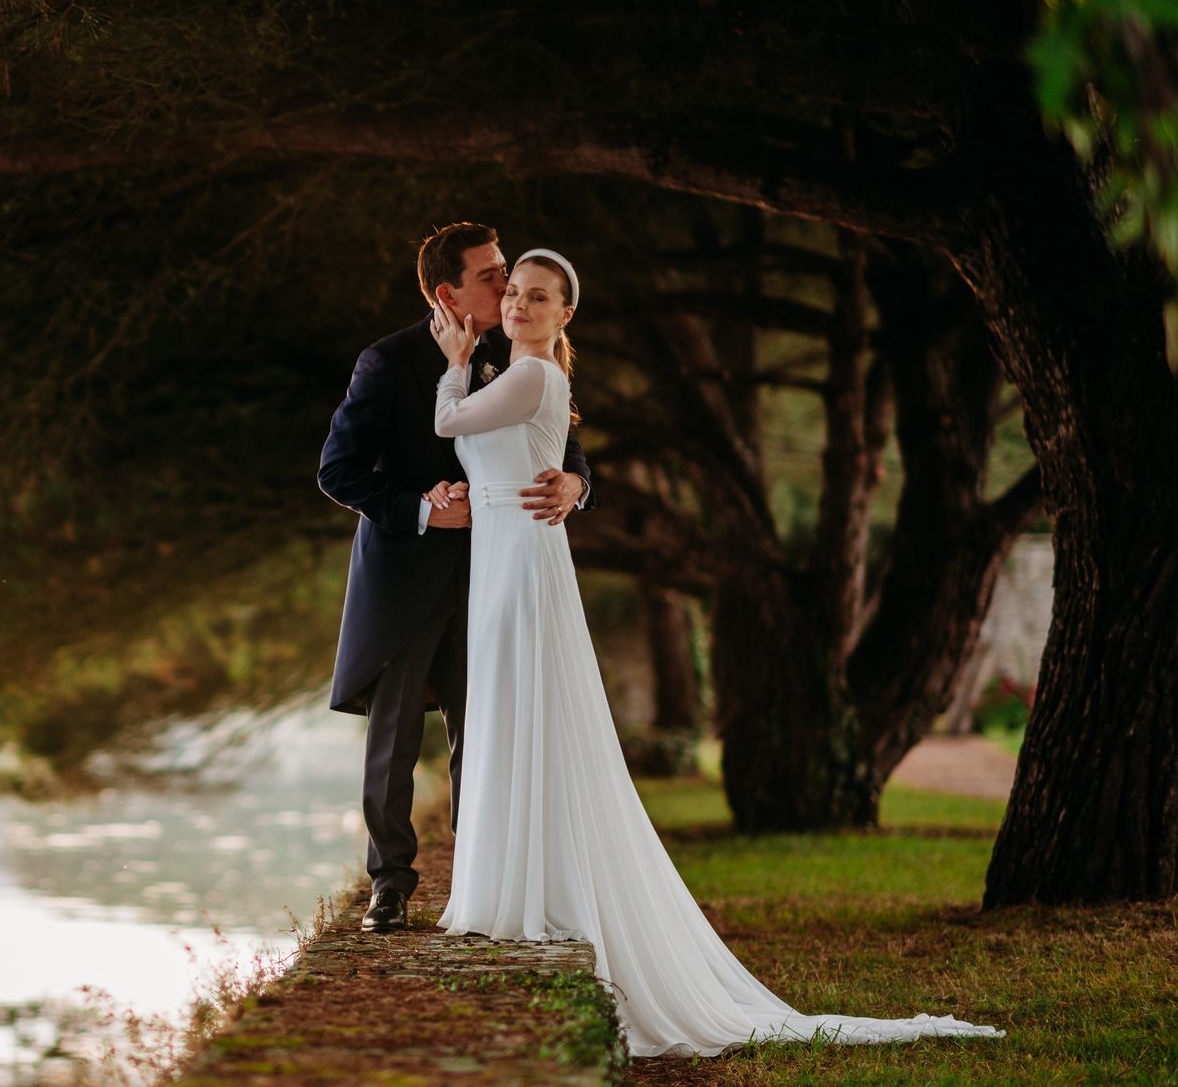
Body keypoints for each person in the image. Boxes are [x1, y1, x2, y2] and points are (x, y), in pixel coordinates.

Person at [429, 246, 1007, 1058]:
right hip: (500, 552)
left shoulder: (528, 375)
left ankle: (528, 897)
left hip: (520, 561)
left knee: (523, 707)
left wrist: (455, 366)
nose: (520, 305)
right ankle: (509, 887)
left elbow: (449, 423)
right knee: (510, 712)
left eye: (538, 297)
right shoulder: (516, 375)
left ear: (566, 314)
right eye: (515, 293)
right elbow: (491, 447)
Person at [317, 222, 592, 934]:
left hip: (496, 572)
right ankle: (391, 882)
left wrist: (574, 485)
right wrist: (419, 511)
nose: (507, 288)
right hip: (407, 577)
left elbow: (568, 445)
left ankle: (483, 877)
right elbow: (337, 470)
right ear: (448, 292)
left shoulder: (519, 353)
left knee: (488, 730)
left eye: (510, 276)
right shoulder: (386, 362)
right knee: (396, 736)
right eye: (492, 276)